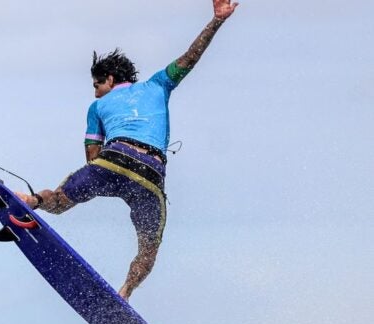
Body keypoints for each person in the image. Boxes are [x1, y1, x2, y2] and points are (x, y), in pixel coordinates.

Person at [17, 0, 238, 301]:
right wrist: (217, 21)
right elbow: (190, 58)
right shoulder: (159, 84)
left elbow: (93, 160)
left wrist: (97, 185)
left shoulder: (97, 106)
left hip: (113, 161)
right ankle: (125, 293)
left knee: (58, 201)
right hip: (150, 176)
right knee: (149, 248)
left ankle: (30, 200)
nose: (94, 92)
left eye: (97, 84)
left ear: (109, 80)